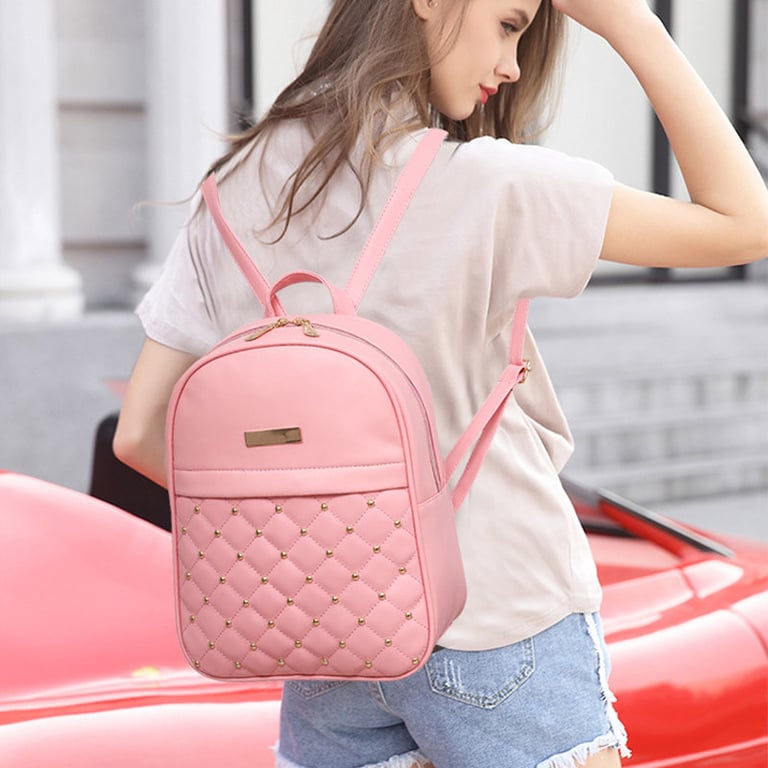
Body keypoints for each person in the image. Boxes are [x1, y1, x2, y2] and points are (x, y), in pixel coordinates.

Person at [114, 0, 768, 766]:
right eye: (510, 24)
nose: (512, 66)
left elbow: (140, 433)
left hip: (328, 637)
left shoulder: (231, 189)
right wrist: (633, 24)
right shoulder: (488, 182)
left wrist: (323, 522)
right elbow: (743, 222)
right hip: (501, 618)